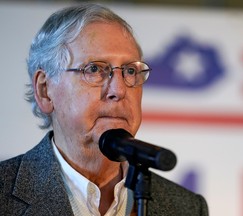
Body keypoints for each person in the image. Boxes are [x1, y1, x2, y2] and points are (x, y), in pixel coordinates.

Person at [0, 3, 209, 216]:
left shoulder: (187, 208)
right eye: (94, 69)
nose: (118, 90)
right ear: (45, 90)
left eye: (129, 71)